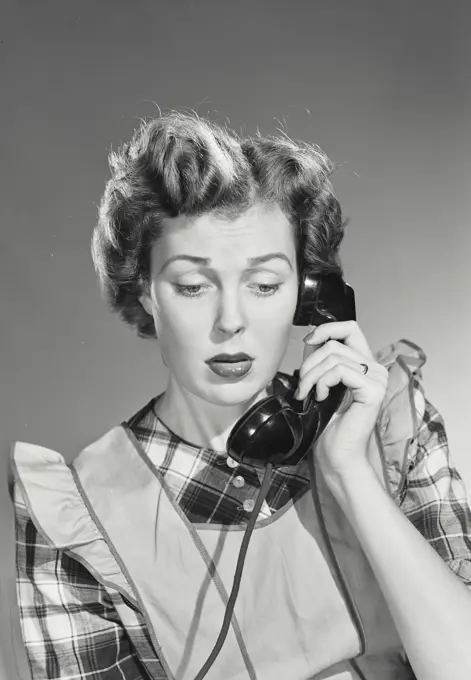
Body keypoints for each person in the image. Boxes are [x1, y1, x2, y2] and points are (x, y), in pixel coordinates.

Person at [10, 112, 471, 680]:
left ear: (309, 295)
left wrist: (349, 472)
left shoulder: (390, 426)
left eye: (264, 285)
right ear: (146, 292)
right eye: (192, 286)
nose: (231, 320)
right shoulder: (78, 518)